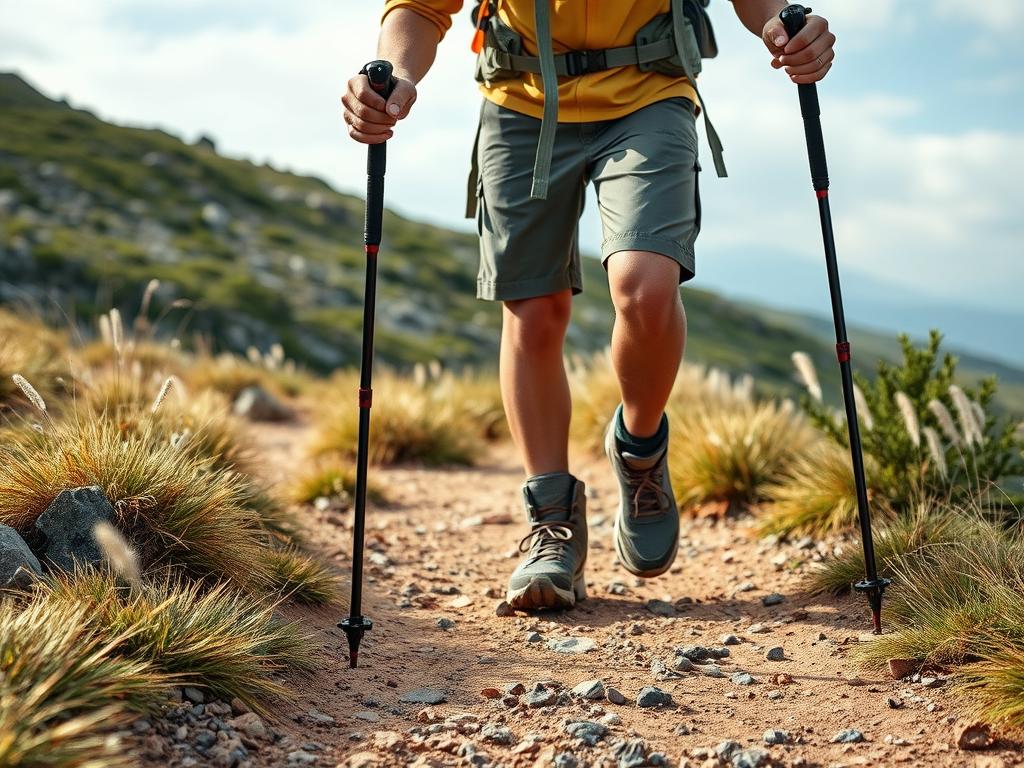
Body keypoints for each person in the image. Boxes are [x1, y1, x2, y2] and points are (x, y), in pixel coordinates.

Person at [342, 1, 836, 611]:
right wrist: (396, 71)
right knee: (533, 309)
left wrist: (778, 24)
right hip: (519, 98)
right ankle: (552, 524)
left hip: (649, 93)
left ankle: (640, 446)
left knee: (646, 285)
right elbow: (419, 7)